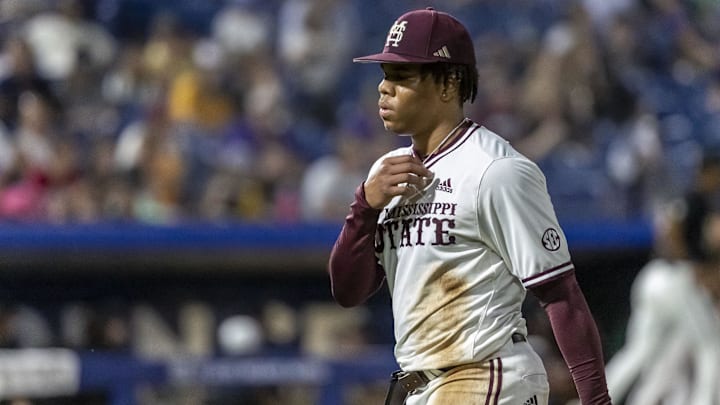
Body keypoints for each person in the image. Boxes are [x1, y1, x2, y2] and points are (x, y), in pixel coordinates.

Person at [327, 7, 613, 405]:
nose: (384, 88)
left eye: (401, 76)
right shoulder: (386, 174)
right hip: (424, 384)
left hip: (488, 374)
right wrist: (364, 208)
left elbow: (560, 294)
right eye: (384, 75)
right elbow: (348, 291)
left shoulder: (495, 170)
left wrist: (596, 400)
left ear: (448, 84)